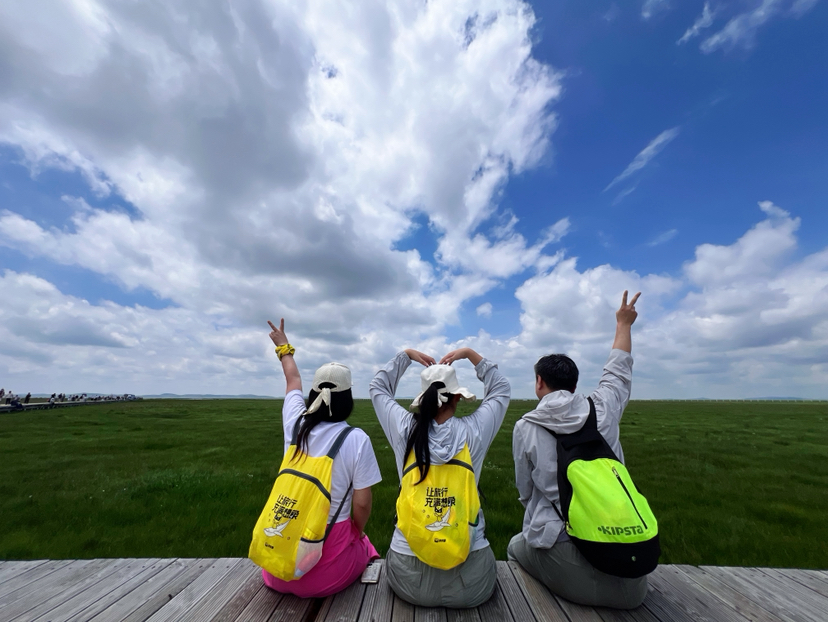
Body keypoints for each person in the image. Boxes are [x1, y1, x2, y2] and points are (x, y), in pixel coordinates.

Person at [508, 291, 648, 609]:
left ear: (539, 382)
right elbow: (618, 371)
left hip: (561, 546)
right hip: (633, 572)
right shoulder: (603, 408)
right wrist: (623, 324)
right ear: (574, 385)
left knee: (516, 545)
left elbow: (525, 490)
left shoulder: (526, 426)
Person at [370, 346, 510, 608]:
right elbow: (501, 389)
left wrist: (406, 356)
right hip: (471, 583)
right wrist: (469, 354)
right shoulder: (475, 431)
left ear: (422, 399)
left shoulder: (404, 429)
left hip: (409, 579)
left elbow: (378, 388)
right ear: (457, 397)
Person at [258, 319, 382, 598]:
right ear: (347, 398)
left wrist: (284, 347)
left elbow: (292, 380)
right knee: (364, 545)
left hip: (275, 570)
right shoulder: (356, 439)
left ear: (313, 393)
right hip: (324, 576)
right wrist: (357, 532)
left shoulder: (295, 422)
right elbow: (362, 504)